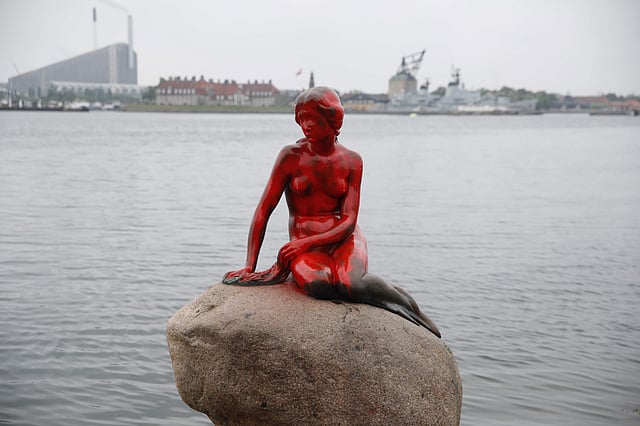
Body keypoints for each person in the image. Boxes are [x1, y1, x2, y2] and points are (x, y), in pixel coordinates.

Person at [224, 87, 440, 338]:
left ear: (333, 119)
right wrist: (249, 266)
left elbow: (349, 220)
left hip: (343, 237)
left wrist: (303, 244)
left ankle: (408, 306)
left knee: (353, 284)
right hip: (305, 241)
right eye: (301, 119)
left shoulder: (351, 160)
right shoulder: (290, 157)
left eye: (313, 119)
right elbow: (264, 209)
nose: (306, 126)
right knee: (320, 285)